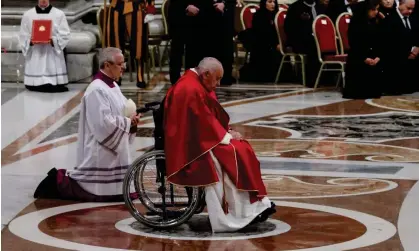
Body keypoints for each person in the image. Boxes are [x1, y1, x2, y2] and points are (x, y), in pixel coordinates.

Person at [164, 57, 276, 232]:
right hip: (190, 145)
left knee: (241, 148)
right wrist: (225, 135)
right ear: (206, 74)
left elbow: (207, 117)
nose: (218, 84)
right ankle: (234, 215)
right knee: (230, 155)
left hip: (201, 137)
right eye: (217, 79)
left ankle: (256, 206)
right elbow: (201, 122)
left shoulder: (198, 82)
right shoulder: (189, 88)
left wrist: (226, 131)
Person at [34, 47, 140, 202]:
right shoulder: (96, 90)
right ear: (107, 65)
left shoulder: (113, 86)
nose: (124, 67)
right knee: (94, 190)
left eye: (123, 63)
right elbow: (103, 125)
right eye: (120, 64)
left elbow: (121, 112)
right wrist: (127, 122)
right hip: (100, 149)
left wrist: (132, 120)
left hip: (113, 148)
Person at [18, 0, 70, 93]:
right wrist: (30, 41)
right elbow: (23, 34)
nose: (43, 0)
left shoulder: (59, 14)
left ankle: (54, 82)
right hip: (35, 52)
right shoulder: (28, 15)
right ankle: (35, 82)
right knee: (35, 83)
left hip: (52, 51)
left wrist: (53, 40)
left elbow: (65, 34)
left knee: (54, 80)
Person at [105, 0, 156, 88]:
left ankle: (140, 75)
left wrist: (150, 9)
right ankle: (116, 75)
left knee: (138, 44)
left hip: (136, 7)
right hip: (116, 6)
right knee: (115, 44)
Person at [342, 0, 383, 99]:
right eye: (373, 9)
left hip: (372, 57)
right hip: (358, 57)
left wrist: (378, 56)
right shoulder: (356, 24)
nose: (376, 12)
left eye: (377, 9)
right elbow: (355, 45)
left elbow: (379, 42)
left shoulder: (374, 23)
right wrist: (364, 58)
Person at [284, 0, 327, 87]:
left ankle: (328, 78)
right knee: (313, 45)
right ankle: (312, 79)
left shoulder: (321, 7)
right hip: (300, 40)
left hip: (319, 39)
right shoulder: (295, 7)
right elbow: (289, 28)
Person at [380, 0, 419, 94]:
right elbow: (390, 44)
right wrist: (409, 51)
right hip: (397, 55)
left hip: (415, 53)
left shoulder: (414, 17)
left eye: (412, 9)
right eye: (408, 8)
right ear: (400, 5)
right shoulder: (389, 20)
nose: (410, 11)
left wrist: (417, 48)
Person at [239, 0, 283, 83]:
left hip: (276, 43)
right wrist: (274, 44)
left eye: (274, 2)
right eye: (270, 2)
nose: (273, 4)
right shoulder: (259, 16)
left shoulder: (277, 15)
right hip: (262, 45)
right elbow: (262, 35)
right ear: (264, 3)